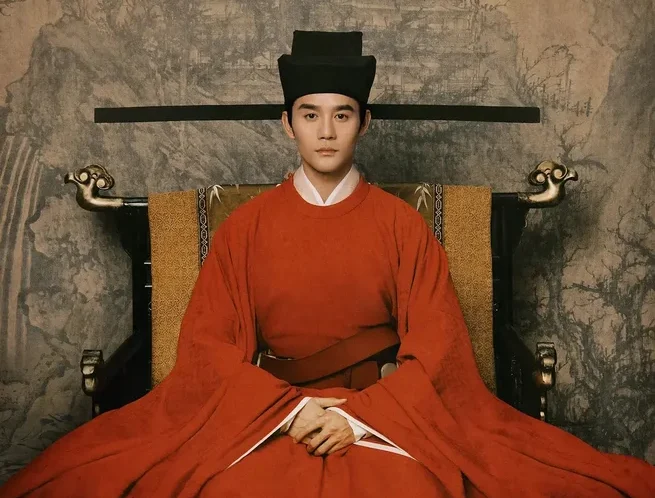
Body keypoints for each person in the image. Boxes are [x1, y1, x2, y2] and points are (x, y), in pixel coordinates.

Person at [1, 30, 654, 498]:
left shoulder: (401, 227)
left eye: (341, 115)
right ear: (287, 124)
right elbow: (209, 350)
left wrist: (356, 417)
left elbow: (437, 352)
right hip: (269, 412)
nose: (325, 130)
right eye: (309, 115)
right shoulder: (244, 230)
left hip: (379, 413)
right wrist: (290, 413)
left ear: (363, 123)